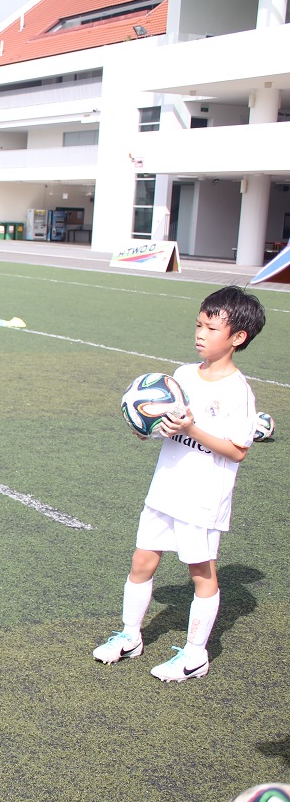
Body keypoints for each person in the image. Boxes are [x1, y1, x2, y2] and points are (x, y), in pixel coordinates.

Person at [92, 285, 265, 682]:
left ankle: (194, 655)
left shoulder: (238, 392)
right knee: (142, 561)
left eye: (210, 327)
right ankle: (130, 635)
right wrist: (149, 429)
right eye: (198, 324)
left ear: (238, 337)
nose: (200, 333)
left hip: (202, 497)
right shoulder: (184, 375)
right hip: (165, 488)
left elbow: (238, 450)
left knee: (200, 572)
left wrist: (192, 427)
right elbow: (168, 426)